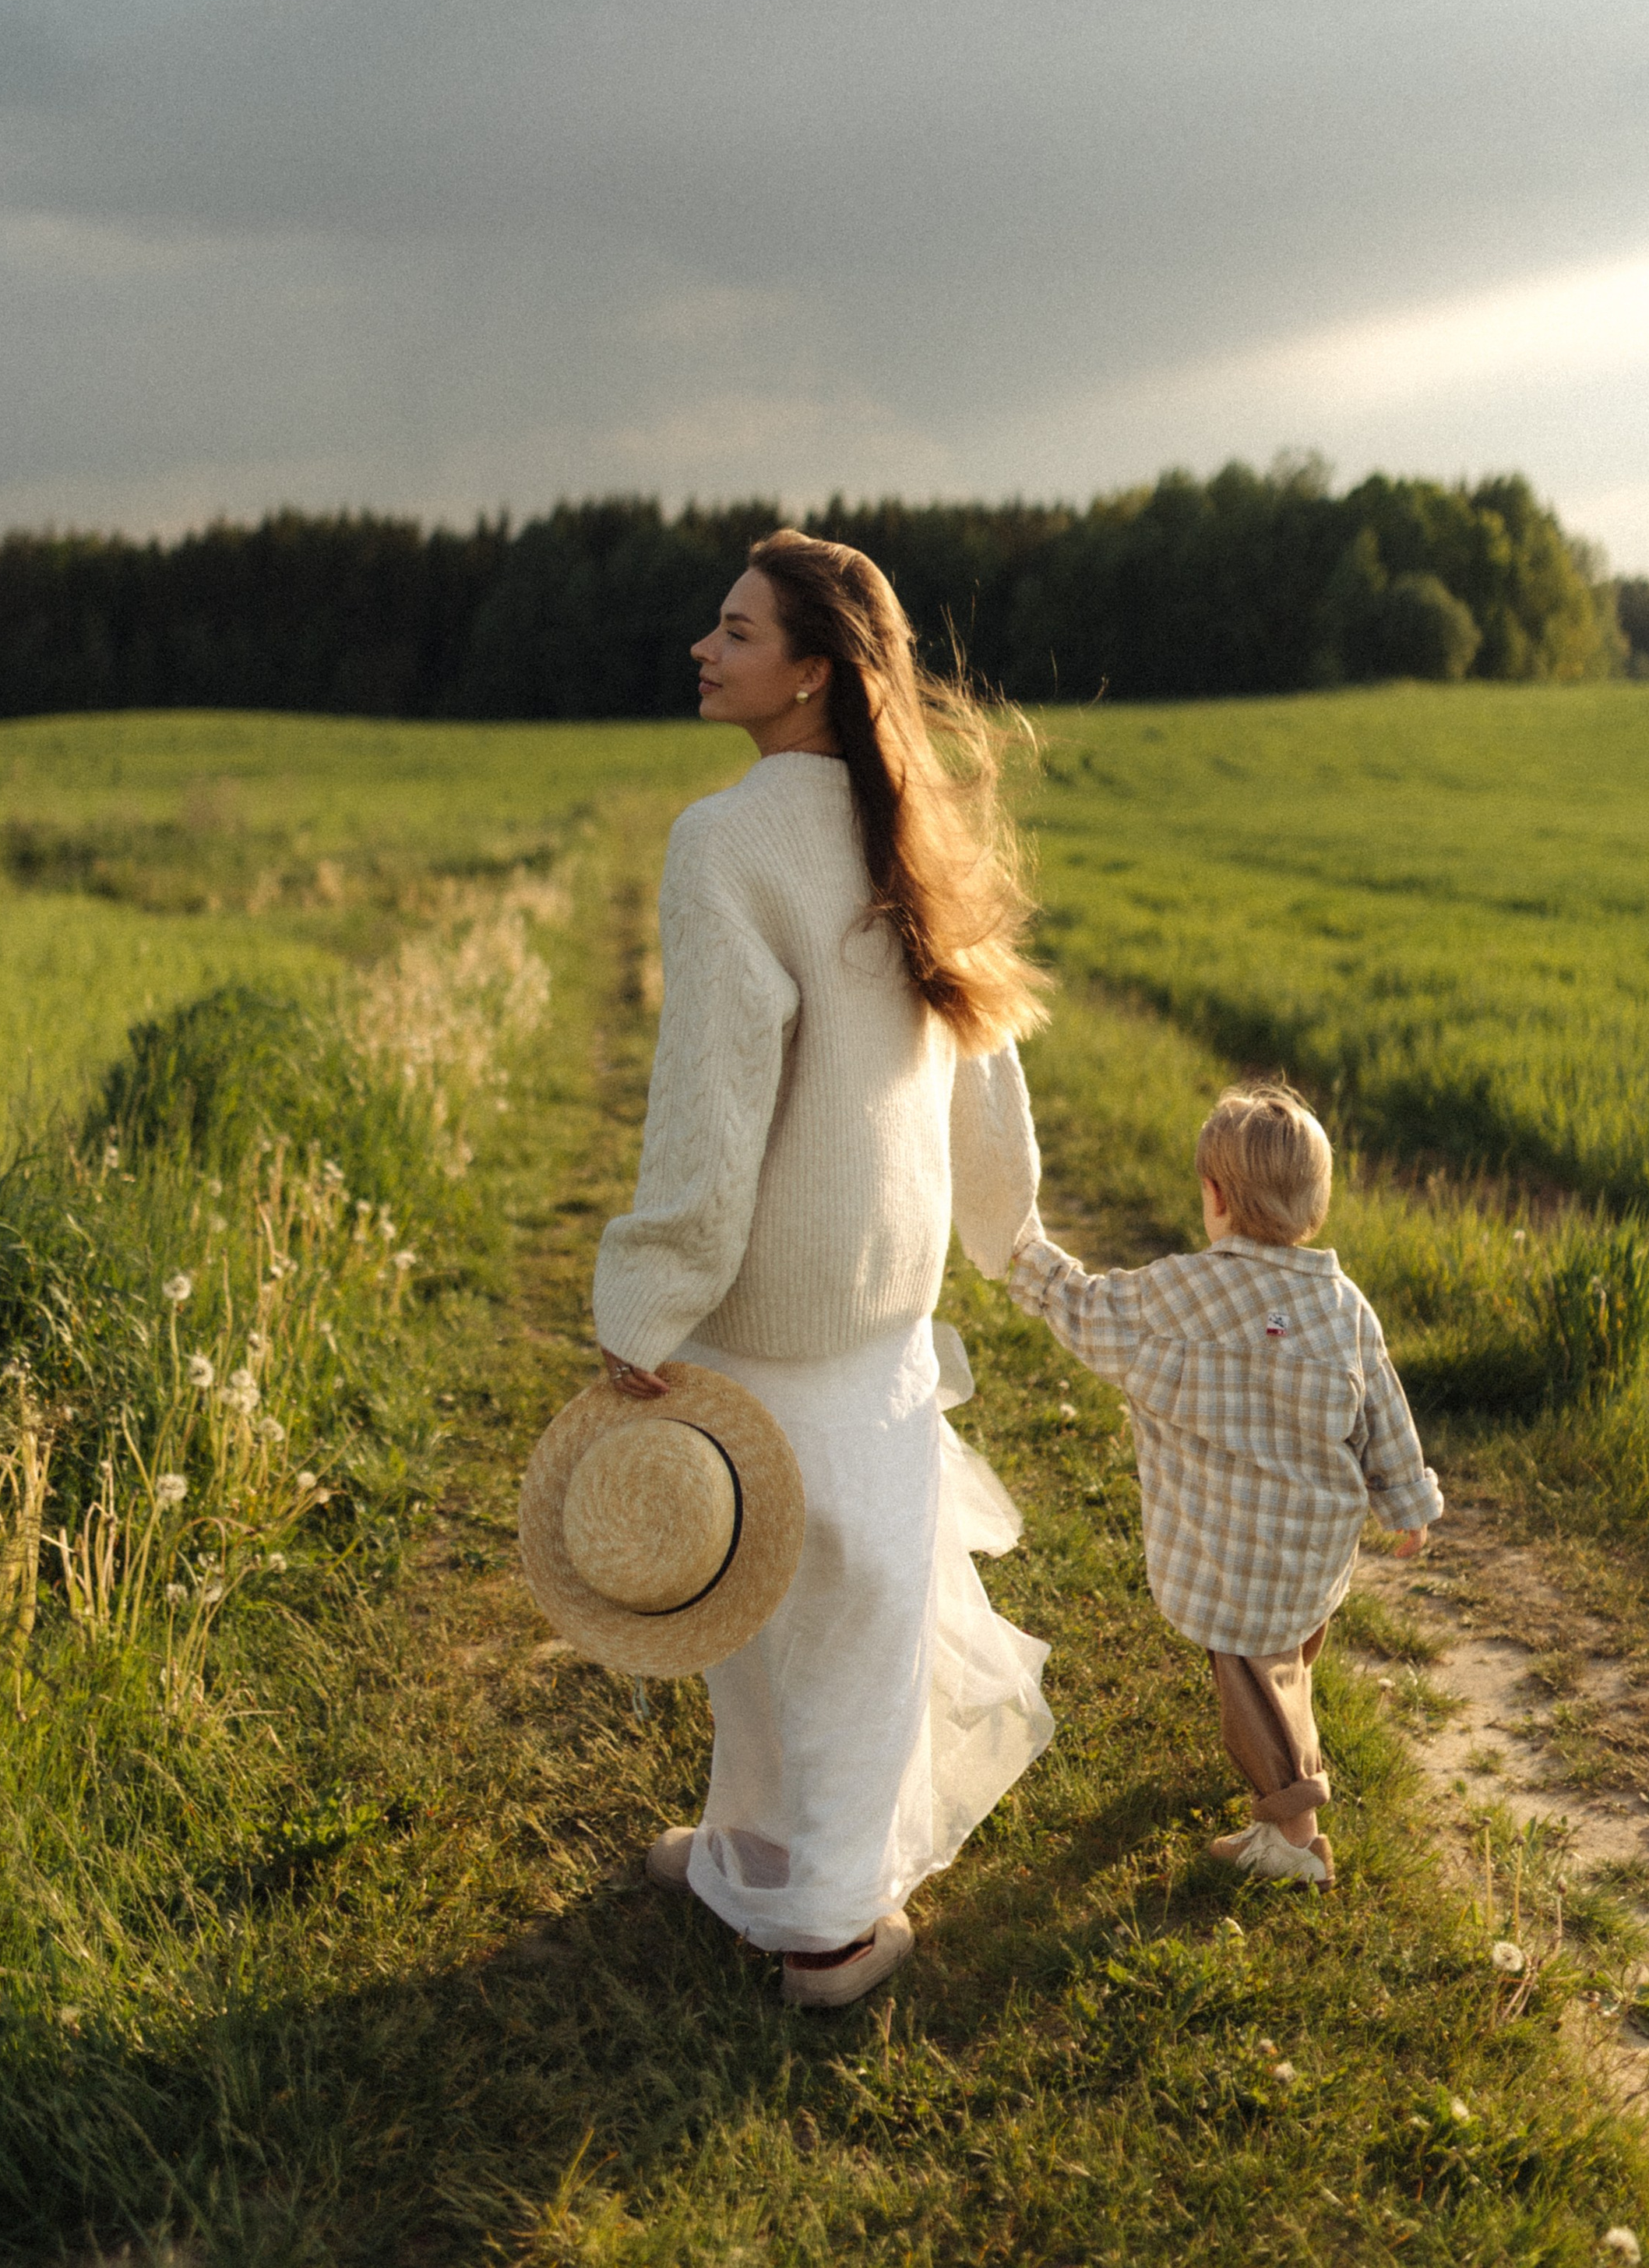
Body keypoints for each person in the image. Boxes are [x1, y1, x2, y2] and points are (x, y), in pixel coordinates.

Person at [592, 530, 1055, 2007]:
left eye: (735, 632)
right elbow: (985, 1077)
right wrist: (1005, 1226)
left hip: (774, 1315)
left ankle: (833, 1933)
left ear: (812, 672)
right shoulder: (905, 821)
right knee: (810, 1611)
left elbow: (709, 1105)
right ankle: (764, 1853)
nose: (700, 649)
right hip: (878, 1306)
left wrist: (645, 1303)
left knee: (797, 1615)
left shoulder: (725, 840)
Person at [1002, 1081, 1440, 1890]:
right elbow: (1384, 1408)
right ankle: (1282, 1759)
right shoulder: (1343, 1306)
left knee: (1255, 1687)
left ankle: (1293, 1834)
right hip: (1312, 1551)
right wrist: (1406, 1502)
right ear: (1315, 1203)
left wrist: (1022, 1255)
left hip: (1230, 1556)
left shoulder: (1175, 1295)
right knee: (1286, 1662)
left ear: (1213, 1197)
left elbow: (1085, 1307)